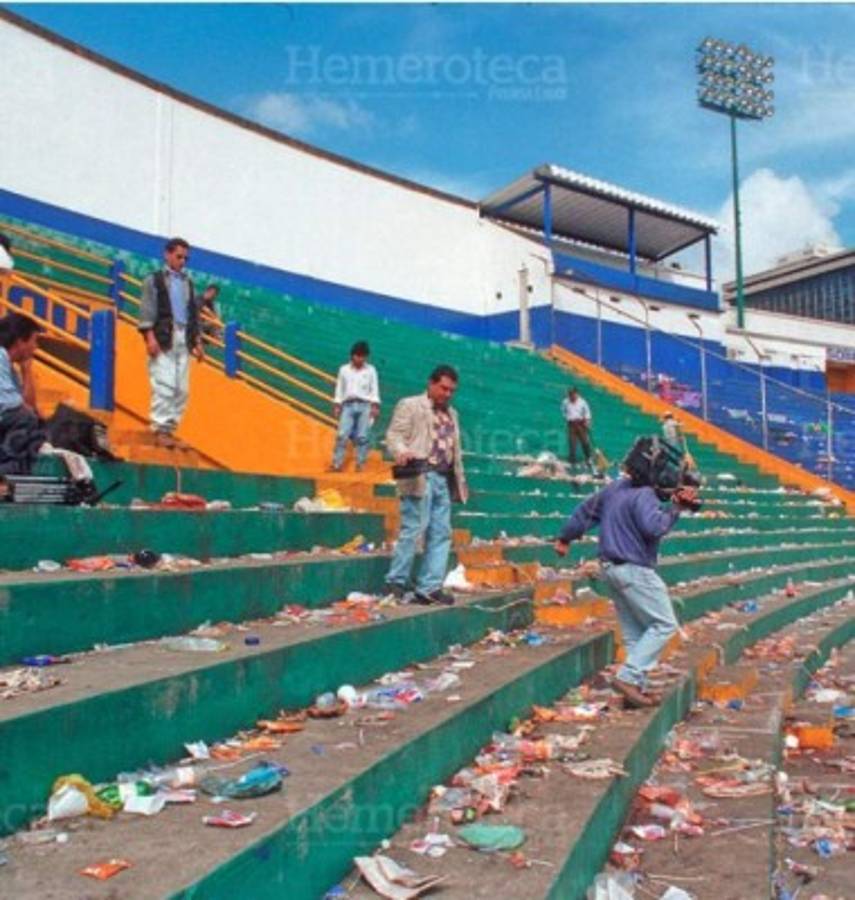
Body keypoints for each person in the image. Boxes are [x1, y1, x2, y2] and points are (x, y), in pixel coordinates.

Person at [554, 444, 698, 708]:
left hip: (610, 569)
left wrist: (565, 537)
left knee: (635, 632)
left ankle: (634, 691)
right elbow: (654, 527)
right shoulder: (645, 495)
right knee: (664, 625)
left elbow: (585, 513)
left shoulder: (615, 488)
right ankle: (629, 677)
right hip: (635, 570)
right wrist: (676, 509)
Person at [385, 364, 468, 605]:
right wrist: (401, 451)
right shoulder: (410, 405)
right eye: (444, 388)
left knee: (441, 533)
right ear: (431, 384)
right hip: (420, 475)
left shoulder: (453, 414)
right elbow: (394, 435)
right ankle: (396, 581)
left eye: (452, 390)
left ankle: (429, 587)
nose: (448, 394)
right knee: (414, 528)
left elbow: (455, 449)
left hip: (444, 478)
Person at [138, 238, 203, 444]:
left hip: (184, 336)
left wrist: (198, 341)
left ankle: (170, 429)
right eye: (178, 256)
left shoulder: (188, 283)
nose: (182, 261)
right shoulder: (154, 280)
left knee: (181, 388)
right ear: (167, 254)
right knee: (164, 383)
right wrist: (150, 337)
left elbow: (193, 313)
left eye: (185, 258)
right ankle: (160, 429)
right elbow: (147, 310)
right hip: (164, 335)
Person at [0, 312, 46, 474]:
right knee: (27, 420)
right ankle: (5, 473)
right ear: (20, 342)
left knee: (33, 421)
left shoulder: (10, 367)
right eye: (34, 341)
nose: (36, 347)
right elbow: (13, 405)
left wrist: (27, 370)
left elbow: (30, 405)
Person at [331, 341, 380, 472]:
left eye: (363, 356)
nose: (360, 359)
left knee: (362, 437)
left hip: (365, 405)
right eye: (358, 356)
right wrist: (337, 404)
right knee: (342, 435)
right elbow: (339, 388)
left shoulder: (371, 370)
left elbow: (374, 389)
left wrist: (375, 406)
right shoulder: (344, 370)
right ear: (352, 355)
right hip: (348, 405)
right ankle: (336, 464)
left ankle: (360, 465)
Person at [561, 387, 593, 469]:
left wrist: (587, 421)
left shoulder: (582, 402)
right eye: (570, 395)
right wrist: (567, 418)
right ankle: (572, 461)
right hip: (571, 425)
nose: (571, 397)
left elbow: (587, 412)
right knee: (572, 443)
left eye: (573, 395)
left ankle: (588, 458)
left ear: (576, 394)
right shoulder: (565, 402)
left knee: (585, 442)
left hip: (581, 424)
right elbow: (563, 410)